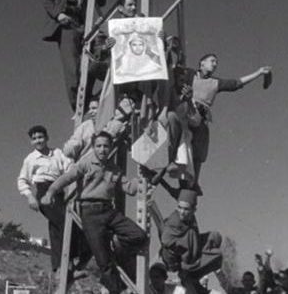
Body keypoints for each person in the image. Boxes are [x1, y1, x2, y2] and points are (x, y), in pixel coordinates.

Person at [41, 131, 148, 294]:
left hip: (108, 211)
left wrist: (142, 184)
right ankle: (115, 289)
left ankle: (117, 246)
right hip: (90, 213)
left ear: (111, 147)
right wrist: (50, 192)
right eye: (98, 146)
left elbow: (129, 188)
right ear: (93, 147)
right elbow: (67, 178)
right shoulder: (86, 164)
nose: (102, 150)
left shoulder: (114, 169)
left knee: (139, 235)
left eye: (106, 146)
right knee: (104, 263)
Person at [164, 54, 272, 194]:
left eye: (216, 62)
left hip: (200, 117)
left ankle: (193, 182)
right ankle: (171, 162)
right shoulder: (190, 74)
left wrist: (258, 73)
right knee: (179, 134)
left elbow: (236, 83)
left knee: (200, 148)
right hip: (186, 110)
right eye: (212, 61)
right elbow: (171, 69)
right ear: (202, 63)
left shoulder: (215, 82)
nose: (215, 64)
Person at [17, 125, 90, 278]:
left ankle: (58, 269)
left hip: (59, 190)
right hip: (43, 192)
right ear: (31, 142)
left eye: (41, 137)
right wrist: (30, 196)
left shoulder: (57, 153)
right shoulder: (31, 159)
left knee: (56, 228)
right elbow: (22, 180)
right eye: (35, 138)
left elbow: (69, 167)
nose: (38, 140)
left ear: (47, 138)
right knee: (65, 222)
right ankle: (68, 265)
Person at [43, 0, 107, 111]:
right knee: (72, 67)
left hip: (83, 24)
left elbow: (101, 1)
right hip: (67, 23)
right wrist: (58, 14)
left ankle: (88, 99)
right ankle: (77, 105)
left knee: (94, 60)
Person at [160, 189, 223, 294]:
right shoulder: (174, 222)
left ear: (194, 210)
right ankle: (190, 271)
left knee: (215, 237)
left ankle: (194, 271)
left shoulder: (190, 218)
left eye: (186, 209)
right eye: (179, 208)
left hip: (193, 252)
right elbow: (166, 240)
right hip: (178, 259)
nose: (182, 212)